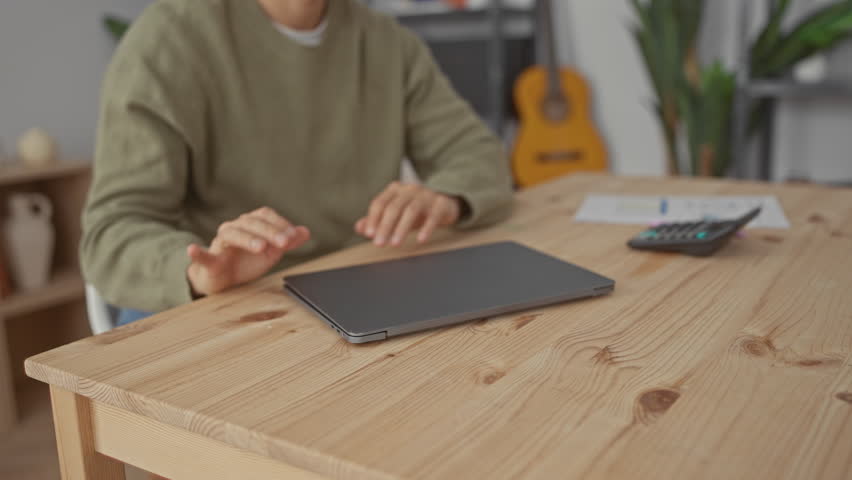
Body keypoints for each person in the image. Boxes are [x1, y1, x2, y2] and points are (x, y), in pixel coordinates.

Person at [81, 0, 513, 325]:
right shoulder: (167, 40)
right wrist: (198, 271)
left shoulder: (386, 40)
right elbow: (110, 235)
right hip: (224, 304)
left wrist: (444, 196)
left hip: (357, 294)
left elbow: (477, 154)